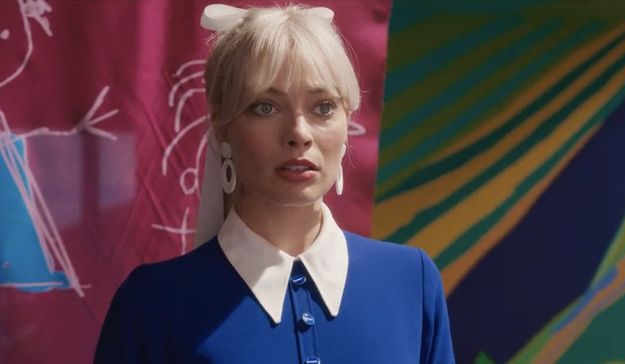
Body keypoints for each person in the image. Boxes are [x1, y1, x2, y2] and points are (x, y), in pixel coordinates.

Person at [94, 4, 455, 363]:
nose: (299, 134)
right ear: (222, 127)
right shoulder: (152, 304)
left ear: (348, 120)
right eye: (265, 107)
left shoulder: (411, 282)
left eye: (324, 107)